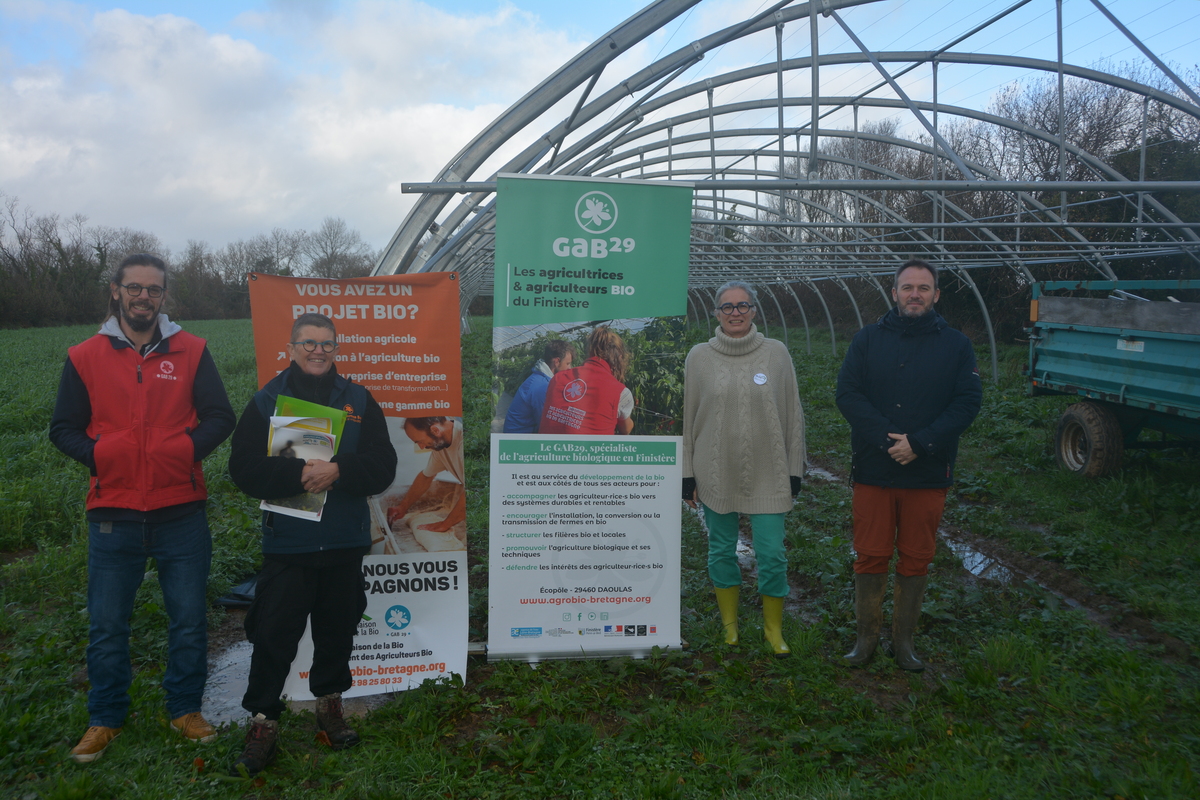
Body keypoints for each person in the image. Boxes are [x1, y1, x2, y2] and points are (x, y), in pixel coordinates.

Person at [49, 253, 236, 763]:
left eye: (153, 289)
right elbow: (62, 428)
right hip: (114, 512)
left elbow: (221, 416)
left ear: (163, 296)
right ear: (116, 291)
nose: (143, 297)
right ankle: (105, 718)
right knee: (108, 624)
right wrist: (101, 455)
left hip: (181, 511)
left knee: (189, 619)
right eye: (134, 287)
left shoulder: (192, 350)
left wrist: (183, 451)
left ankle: (184, 709)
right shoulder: (85, 355)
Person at [227, 313, 397, 775]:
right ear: (291, 347)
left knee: (337, 630)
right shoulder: (267, 401)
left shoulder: (359, 400)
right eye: (308, 344)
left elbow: (384, 465)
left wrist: (340, 469)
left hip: (344, 542)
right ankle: (263, 721)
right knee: (273, 636)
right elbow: (241, 468)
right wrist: (297, 473)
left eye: (326, 344)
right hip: (290, 545)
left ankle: (329, 708)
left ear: (337, 348)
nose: (318, 351)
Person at [835, 259, 982, 672]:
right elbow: (848, 394)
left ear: (936, 295)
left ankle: (904, 643)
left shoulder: (956, 345)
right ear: (894, 292)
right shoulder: (867, 340)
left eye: (923, 287)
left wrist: (921, 442)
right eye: (907, 287)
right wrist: (888, 441)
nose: (914, 294)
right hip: (874, 470)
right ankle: (865, 639)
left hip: (927, 470)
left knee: (916, 557)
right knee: (870, 554)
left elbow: (967, 402)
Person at [682, 281, 806, 656]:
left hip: (769, 469)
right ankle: (730, 628)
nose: (735, 312)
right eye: (727, 307)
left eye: (742, 305)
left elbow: (793, 412)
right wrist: (687, 471)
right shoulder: (698, 357)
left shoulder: (777, 354)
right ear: (716, 313)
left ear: (754, 311)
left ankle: (772, 630)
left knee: (771, 552)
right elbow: (687, 419)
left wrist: (795, 467)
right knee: (721, 549)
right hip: (714, 469)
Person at [538, 326, 635, 435]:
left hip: (549, 450)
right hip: (590, 451)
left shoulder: (558, 378)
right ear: (619, 357)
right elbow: (626, 430)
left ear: (591, 351)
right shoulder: (620, 392)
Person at [386, 416, 466, 535]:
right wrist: (403, 507)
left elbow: (475, 490)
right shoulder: (441, 447)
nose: (421, 447)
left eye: (420, 441)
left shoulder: (465, 441)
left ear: (435, 430)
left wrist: (445, 524)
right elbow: (426, 476)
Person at [503, 340, 574, 433]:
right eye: (568, 363)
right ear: (556, 361)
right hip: (519, 441)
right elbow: (546, 424)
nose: (570, 368)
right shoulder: (542, 386)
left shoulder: (539, 378)